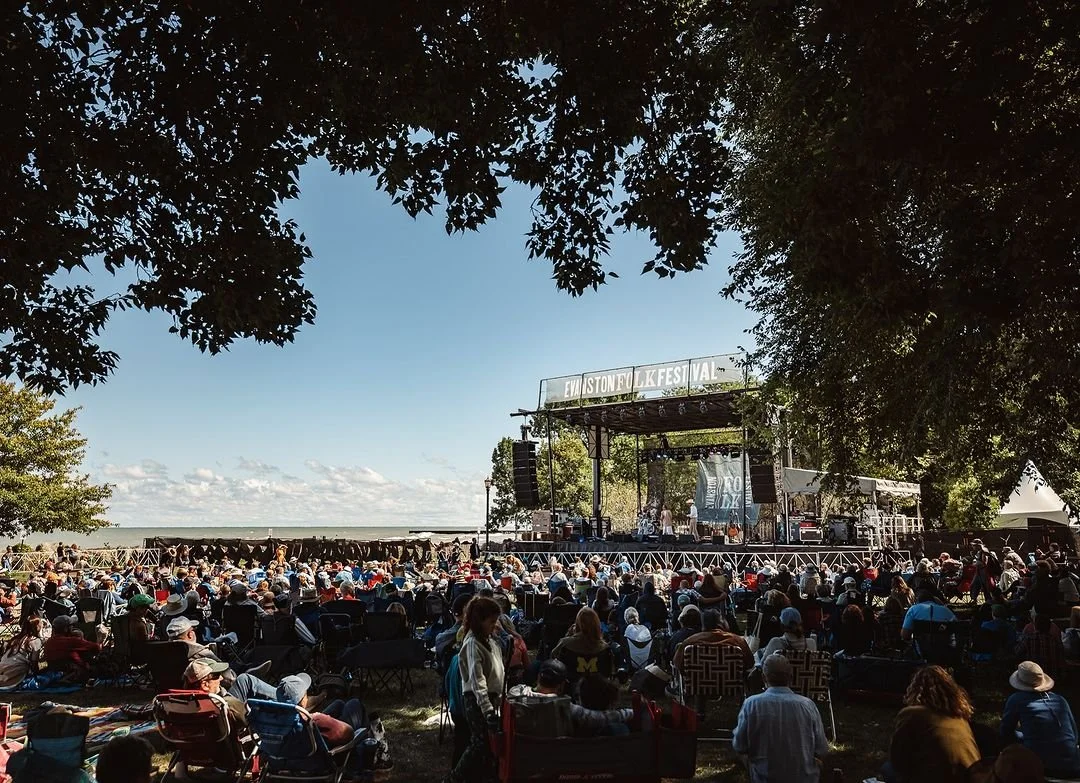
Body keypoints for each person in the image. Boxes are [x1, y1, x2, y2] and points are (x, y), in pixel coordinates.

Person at [732, 653, 828, 782]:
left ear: (763, 677)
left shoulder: (751, 704)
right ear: (791, 677)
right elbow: (821, 748)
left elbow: (739, 745)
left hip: (765, 778)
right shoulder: (807, 705)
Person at [884, 665, 980, 783]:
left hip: (936, 778)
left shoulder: (912, 714)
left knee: (888, 768)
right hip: (970, 778)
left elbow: (898, 758)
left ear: (915, 689)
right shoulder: (960, 717)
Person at [446, 596, 504, 783]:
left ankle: (485, 775)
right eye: (492, 621)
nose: (495, 625)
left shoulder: (489, 641)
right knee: (479, 743)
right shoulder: (472, 643)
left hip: (492, 698)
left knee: (489, 744)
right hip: (476, 700)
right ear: (480, 621)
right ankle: (455, 777)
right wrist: (487, 710)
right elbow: (477, 680)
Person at [507, 660, 632, 735]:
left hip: (521, 759)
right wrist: (631, 712)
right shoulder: (566, 708)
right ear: (561, 686)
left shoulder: (515, 694)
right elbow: (603, 718)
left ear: (538, 677)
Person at [1000, 660, 1080, 777]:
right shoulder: (1060, 700)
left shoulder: (1016, 699)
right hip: (1073, 764)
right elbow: (1074, 735)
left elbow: (1005, 732)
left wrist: (1024, 737)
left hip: (1040, 765)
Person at [673, 609, 754, 670]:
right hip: (731, 690)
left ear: (703, 625)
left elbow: (677, 664)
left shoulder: (689, 642)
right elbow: (750, 663)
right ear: (721, 623)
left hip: (697, 690)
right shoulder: (738, 641)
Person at [42, 615, 100, 680]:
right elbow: (96, 647)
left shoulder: (48, 642)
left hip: (54, 672)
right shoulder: (72, 641)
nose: (73, 627)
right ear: (66, 629)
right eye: (71, 626)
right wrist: (100, 638)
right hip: (73, 673)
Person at [0, 617, 45, 688]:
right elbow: (34, 663)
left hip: (2, 667)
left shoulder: (15, 639)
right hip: (15, 670)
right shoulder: (35, 641)